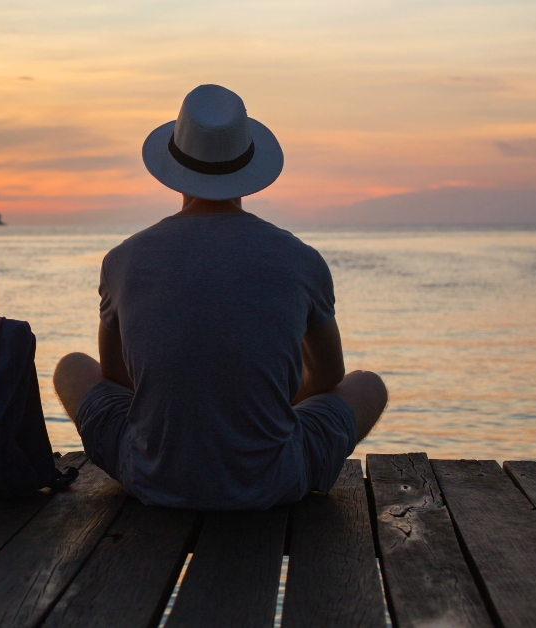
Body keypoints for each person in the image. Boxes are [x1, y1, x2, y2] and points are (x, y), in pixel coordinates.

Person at [53, 85, 388, 510]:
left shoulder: (123, 259)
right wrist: (249, 403)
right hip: (274, 483)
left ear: (173, 164)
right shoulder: (301, 259)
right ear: (247, 168)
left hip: (152, 477)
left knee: (72, 366)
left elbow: (120, 380)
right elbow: (327, 377)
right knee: (367, 384)